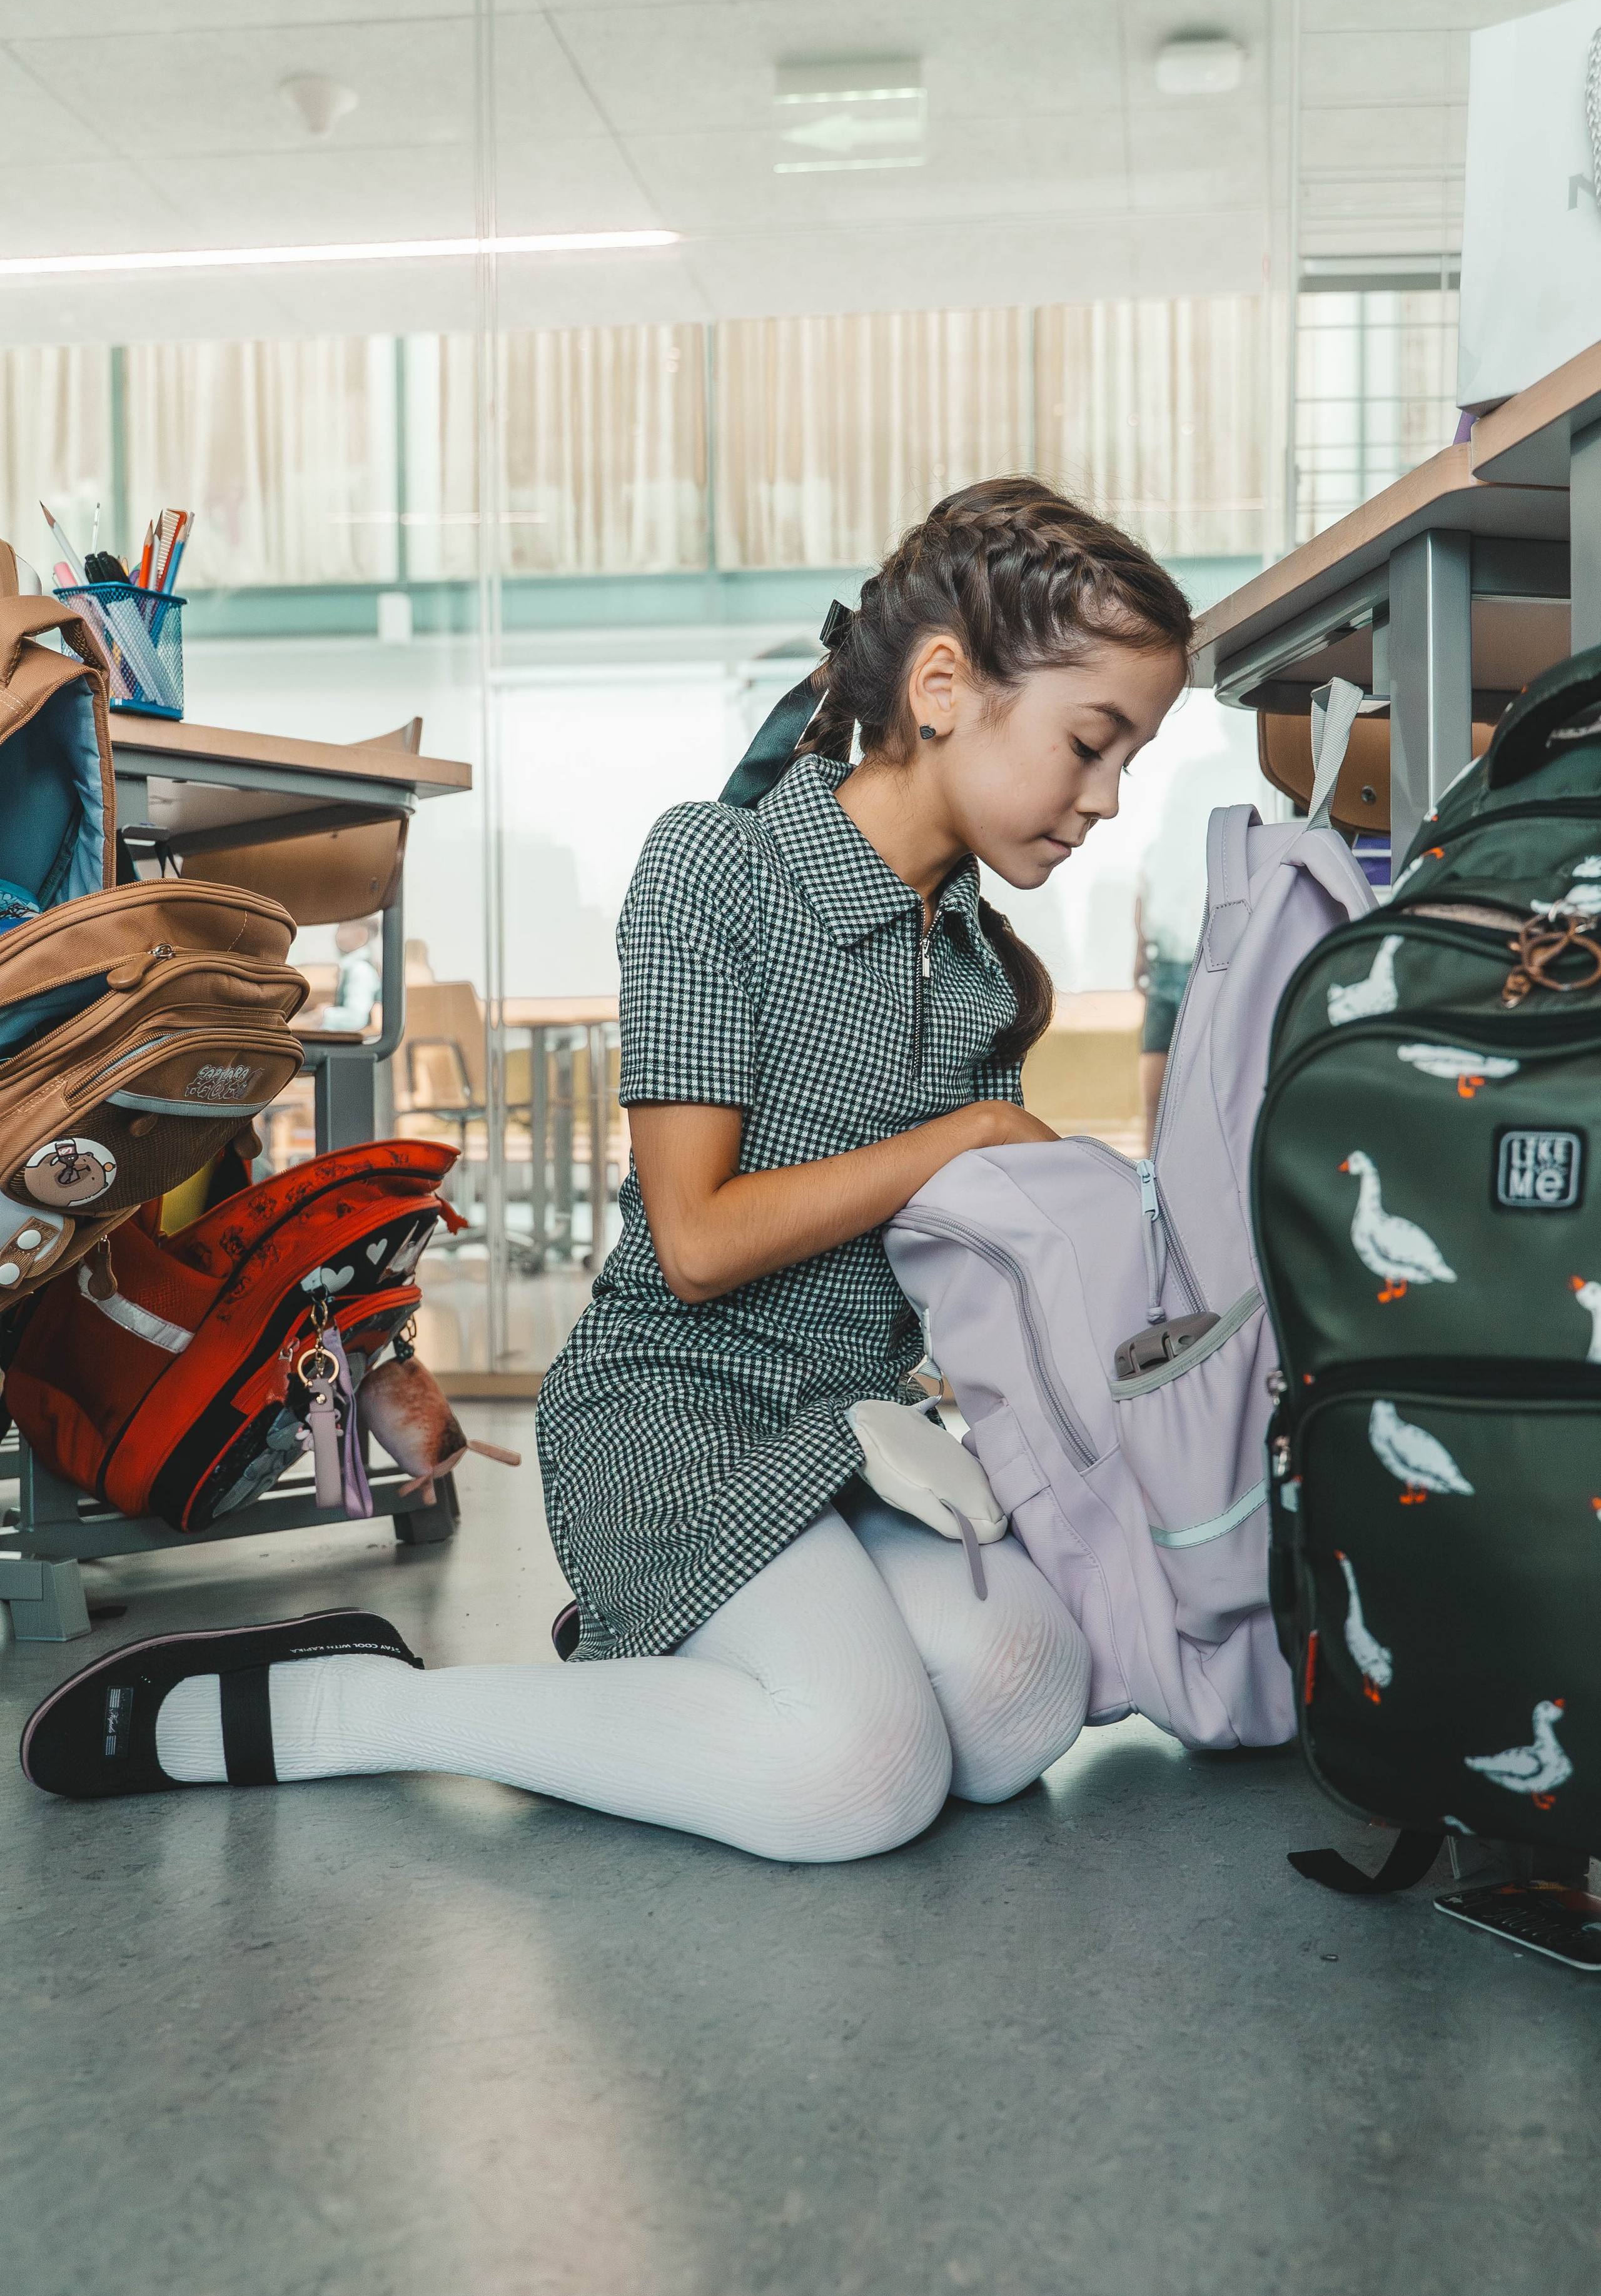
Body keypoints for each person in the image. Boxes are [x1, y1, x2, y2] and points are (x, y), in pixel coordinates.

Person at [23, 478, 1192, 1863]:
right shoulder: (716, 868)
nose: (1107, 800)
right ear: (942, 685)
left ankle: (662, 1663)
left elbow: (966, 1269)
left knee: (1016, 1713)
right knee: (856, 1786)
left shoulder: (983, 971)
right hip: (671, 1411)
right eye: (1091, 742)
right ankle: (347, 1708)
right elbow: (693, 1243)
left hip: (863, 1430)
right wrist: (958, 1140)